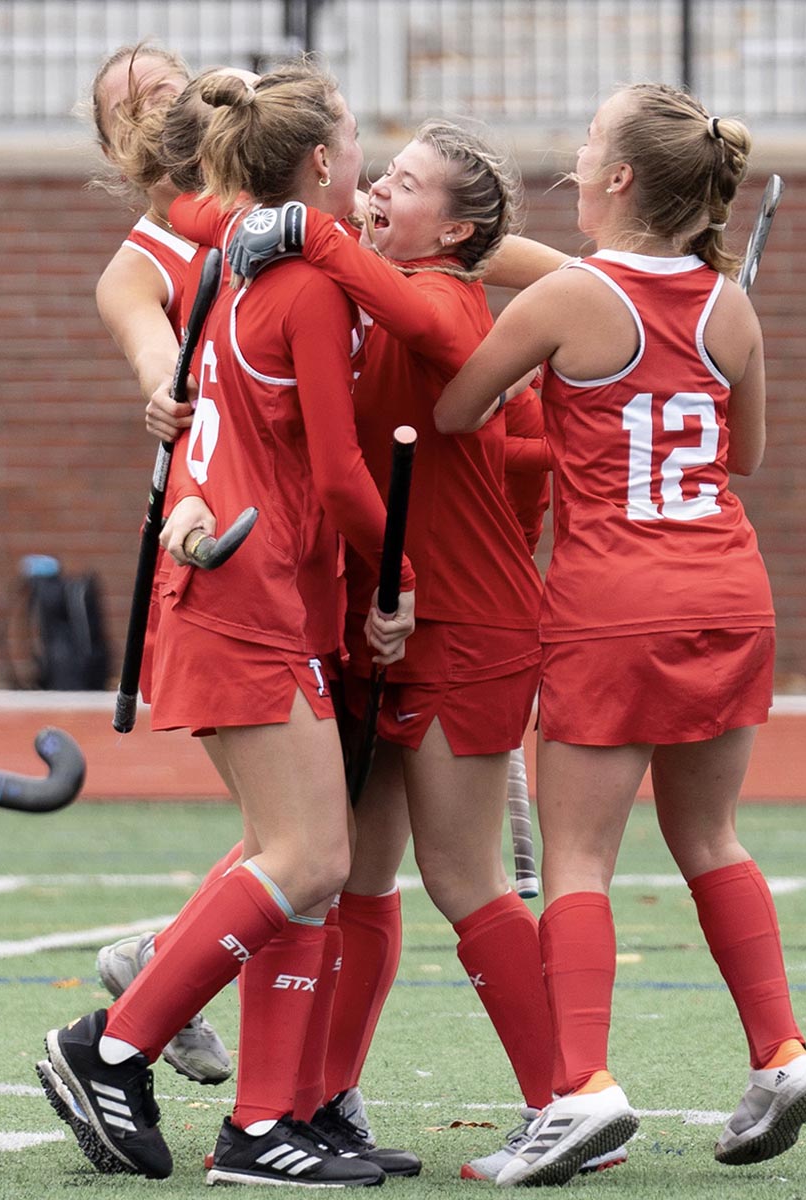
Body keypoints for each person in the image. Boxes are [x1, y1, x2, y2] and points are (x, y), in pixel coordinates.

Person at [434, 83, 806, 1184]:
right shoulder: (728, 306)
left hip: (615, 600)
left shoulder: (571, 300)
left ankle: (583, 1088)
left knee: (576, 860)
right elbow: (742, 455)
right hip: (726, 590)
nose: (571, 157)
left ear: (617, 180)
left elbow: (459, 409)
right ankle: (780, 1053)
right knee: (711, 840)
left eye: (586, 145)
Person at [218, 119, 627, 1182]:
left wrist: (305, 227)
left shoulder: (445, 298)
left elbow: (411, 307)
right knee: (358, 875)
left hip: (467, 622)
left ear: (458, 229)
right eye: (382, 175)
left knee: (466, 875)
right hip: (390, 620)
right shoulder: (356, 289)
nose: (381, 192)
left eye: (406, 183)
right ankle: (317, 1102)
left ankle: (568, 1099)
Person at [37, 60, 416, 1188]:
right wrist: (410, 577)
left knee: (301, 859)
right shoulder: (278, 274)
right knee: (311, 854)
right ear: (313, 163)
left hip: (263, 587)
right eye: (353, 144)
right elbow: (343, 474)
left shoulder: (242, 247)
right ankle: (111, 1042)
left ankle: (266, 1122)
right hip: (240, 589)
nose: (369, 167)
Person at [79, 41, 254, 1090]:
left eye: (171, 87)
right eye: (132, 103)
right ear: (115, 143)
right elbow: (155, 354)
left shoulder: (269, 203)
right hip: (228, 548)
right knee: (309, 841)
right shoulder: (141, 262)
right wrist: (161, 389)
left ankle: (159, 966)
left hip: (336, 542)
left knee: (332, 840)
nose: (161, 106)